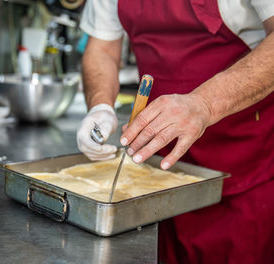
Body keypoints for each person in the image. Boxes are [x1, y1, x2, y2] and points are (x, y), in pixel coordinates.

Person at [76, 0, 274, 263]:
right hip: (157, 182)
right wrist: (100, 106)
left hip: (244, 174)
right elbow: (102, 48)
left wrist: (204, 104)